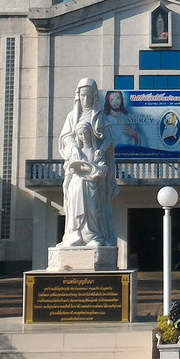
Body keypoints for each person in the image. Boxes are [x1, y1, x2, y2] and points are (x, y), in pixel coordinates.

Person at [58, 78, 117, 247]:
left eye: (89, 96)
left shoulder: (100, 116)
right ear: (79, 96)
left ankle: (93, 235)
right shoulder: (72, 116)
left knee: (94, 205)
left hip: (94, 171)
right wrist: (74, 148)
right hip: (76, 167)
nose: (86, 99)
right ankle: (74, 235)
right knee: (74, 202)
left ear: (94, 97)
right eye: (83, 96)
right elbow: (66, 136)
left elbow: (109, 139)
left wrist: (100, 151)